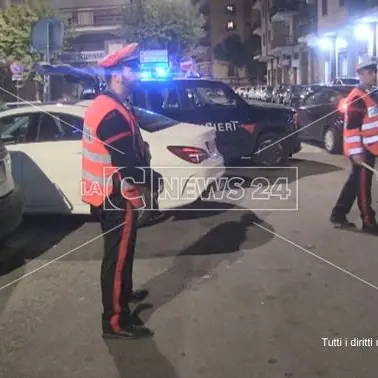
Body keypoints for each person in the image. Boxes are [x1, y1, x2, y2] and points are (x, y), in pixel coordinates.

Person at [81, 43, 154, 339]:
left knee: (123, 254)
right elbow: (127, 161)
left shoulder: (114, 104)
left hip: (112, 193)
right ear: (118, 75)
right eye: (133, 68)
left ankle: (123, 293)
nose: (138, 73)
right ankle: (114, 321)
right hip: (116, 195)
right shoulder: (110, 112)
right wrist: (155, 181)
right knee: (117, 257)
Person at [330, 56, 378, 234]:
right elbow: (351, 129)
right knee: (363, 186)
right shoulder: (357, 97)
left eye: (375, 71)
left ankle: (338, 213)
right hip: (363, 150)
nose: (375, 75)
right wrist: (356, 153)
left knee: (355, 182)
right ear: (362, 74)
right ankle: (368, 221)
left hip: (371, 147)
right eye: (371, 72)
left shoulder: (370, 93)